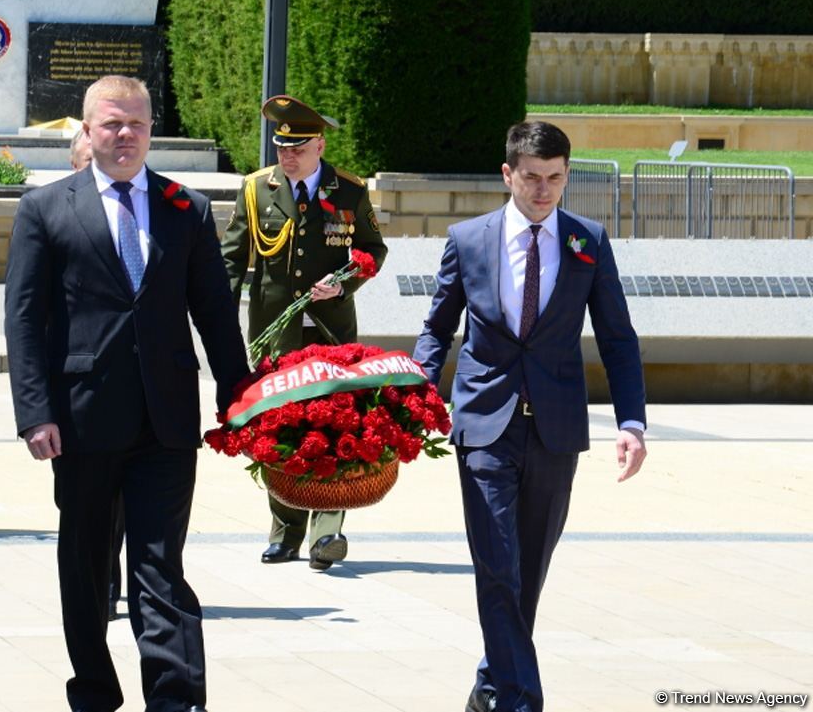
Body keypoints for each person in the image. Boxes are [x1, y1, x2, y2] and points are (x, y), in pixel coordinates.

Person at [4, 75, 249, 712]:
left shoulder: (184, 208)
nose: (125, 135)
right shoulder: (46, 209)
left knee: (160, 565)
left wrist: (239, 394)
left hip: (166, 423)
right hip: (82, 422)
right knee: (85, 569)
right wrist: (35, 412)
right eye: (112, 124)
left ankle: (176, 699)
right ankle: (93, 688)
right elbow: (24, 319)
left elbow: (215, 312)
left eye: (137, 124)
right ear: (86, 131)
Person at [413, 121, 647, 712]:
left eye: (556, 179)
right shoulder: (468, 240)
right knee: (497, 564)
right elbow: (438, 329)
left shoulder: (587, 241)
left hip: (556, 428)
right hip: (484, 424)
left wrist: (632, 422)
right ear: (508, 174)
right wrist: (415, 391)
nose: (544, 192)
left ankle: (492, 680)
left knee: (528, 569)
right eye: (533, 178)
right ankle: (520, 699)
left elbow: (617, 337)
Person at [221, 94, 387, 571]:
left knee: (335, 424)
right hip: (278, 332)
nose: (286, 156)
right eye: (280, 147)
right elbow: (232, 260)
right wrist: (221, 321)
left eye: (296, 148)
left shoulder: (349, 191)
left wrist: (342, 285)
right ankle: (285, 530)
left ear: (319, 144)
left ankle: (326, 532)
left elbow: (374, 250)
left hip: (332, 333)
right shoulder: (256, 189)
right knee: (281, 426)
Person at [70, 124, 126, 622]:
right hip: (79, 397)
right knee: (86, 508)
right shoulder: (54, 213)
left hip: (140, 398)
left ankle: (113, 580)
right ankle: (99, 577)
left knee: (126, 506)